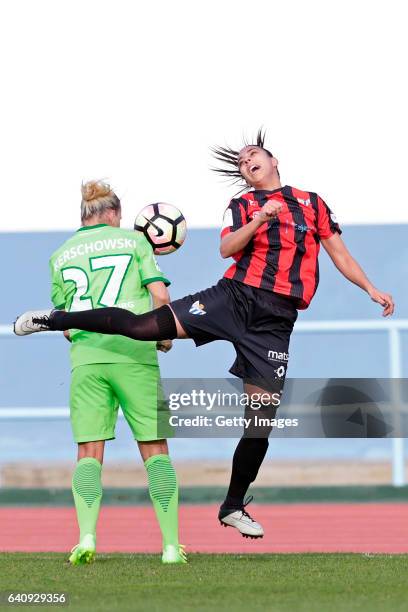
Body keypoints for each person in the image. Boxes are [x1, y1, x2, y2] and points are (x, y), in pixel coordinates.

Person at [15, 131, 394, 539]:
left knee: (261, 420)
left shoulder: (312, 203)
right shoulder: (244, 204)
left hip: (275, 322)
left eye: (253, 157)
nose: (248, 163)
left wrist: (369, 288)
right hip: (233, 298)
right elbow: (227, 247)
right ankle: (53, 320)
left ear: (273, 159)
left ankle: (232, 506)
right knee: (144, 326)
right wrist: (259, 219)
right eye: (243, 164)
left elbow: (338, 251)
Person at [15, 181, 186, 565]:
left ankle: (86, 537)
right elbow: (160, 297)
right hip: (135, 356)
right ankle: (171, 546)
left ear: (85, 214)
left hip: (87, 359)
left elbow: (64, 320)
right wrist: (164, 340)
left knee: (89, 452)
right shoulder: (134, 241)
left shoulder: (60, 255)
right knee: (155, 448)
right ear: (114, 214)